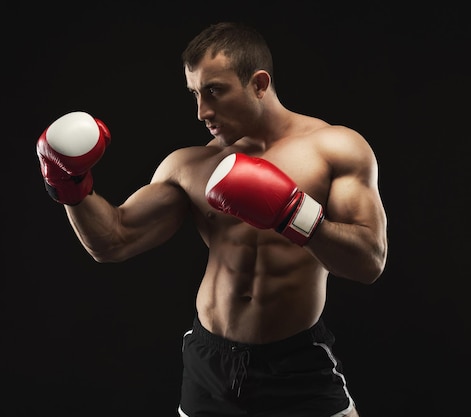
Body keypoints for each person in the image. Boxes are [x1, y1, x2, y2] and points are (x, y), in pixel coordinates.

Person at [36, 21, 388, 417]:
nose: (202, 111)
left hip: (295, 364)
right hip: (210, 363)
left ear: (259, 83)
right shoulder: (191, 165)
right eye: (194, 94)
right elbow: (114, 240)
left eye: (214, 91)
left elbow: (369, 261)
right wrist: (71, 186)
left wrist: (293, 212)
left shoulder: (334, 149)